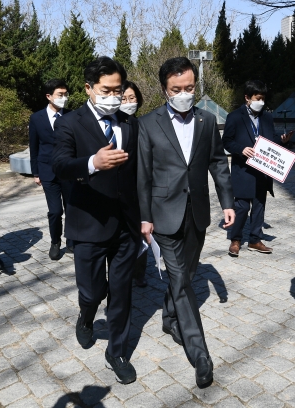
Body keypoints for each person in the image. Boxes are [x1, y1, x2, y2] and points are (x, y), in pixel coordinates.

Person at [137, 57, 235, 387]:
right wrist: (145, 217)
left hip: (197, 213)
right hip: (164, 214)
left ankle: (169, 318)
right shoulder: (148, 124)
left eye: (189, 88)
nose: (183, 94)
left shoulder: (207, 121)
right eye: (176, 89)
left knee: (187, 275)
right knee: (182, 281)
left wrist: (227, 204)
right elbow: (144, 175)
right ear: (164, 89)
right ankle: (200, 354)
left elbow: (219, 163)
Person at [52, 57, 141, 385]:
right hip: (88, 223)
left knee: (121, 292)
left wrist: (146, 217)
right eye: (106, 90)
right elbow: (60, 165)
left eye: (119, 90)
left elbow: (138, 172)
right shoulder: (70, 123)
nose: (114, 97)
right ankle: (86, 317)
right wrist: (92, 162)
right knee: (93, 291)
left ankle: (116, 351)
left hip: (126, 225)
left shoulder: (130, 123)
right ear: (89, 88)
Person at [222, 80, 293, 257]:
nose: (260, 102)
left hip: (262, 170)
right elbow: (226, 141)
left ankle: (255, 239)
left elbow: (272, 140)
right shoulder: (235, 117)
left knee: (259, 206)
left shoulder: (267, 117)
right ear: (247, 98)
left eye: (263, 98)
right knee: (242, 207)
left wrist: (283, 141)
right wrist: (241, 149)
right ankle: (235, 239)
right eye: (257, 98)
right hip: (244, 170)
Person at [29, 79, 73, 260]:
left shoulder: (72, 115)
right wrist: (36, 172)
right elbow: (34, 146)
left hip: (70, 170)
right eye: (60, 95)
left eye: (65, 94)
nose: (64, 98)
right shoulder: (36, 118)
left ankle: (72, 240)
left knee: (71, 207)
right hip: (47, 171)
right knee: (55, 211)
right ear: (49, 96)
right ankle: (55, 241)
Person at [120, 80, 147, 288]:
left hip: (141, 188)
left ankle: (139, 272)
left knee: (140, 234)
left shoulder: (143, 124)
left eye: (132, 98)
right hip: (120, 189)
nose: (129, 102)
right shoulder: (114, 125)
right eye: (124, 99)